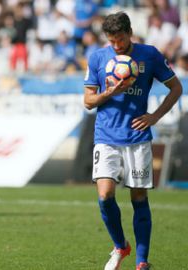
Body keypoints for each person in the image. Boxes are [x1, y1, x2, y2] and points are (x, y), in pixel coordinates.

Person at [83, 12, 182, 270]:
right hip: (106, 136)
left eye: (120, 39)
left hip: (137, 136)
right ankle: (120, 246)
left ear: (130, 32)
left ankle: (141, 262)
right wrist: (110, 92)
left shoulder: (149, 55)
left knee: (139, 198)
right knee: (105, 195)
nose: (117, 45)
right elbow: (88, 101)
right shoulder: (98, 58)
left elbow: (176, 88)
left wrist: (155, 116)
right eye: (112, 41)